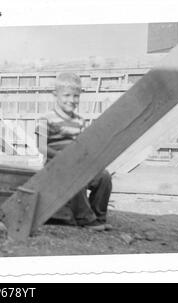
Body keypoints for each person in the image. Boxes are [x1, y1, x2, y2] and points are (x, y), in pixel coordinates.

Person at [35, 72, 113, 231]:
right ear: (55, 95)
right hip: (55, 166)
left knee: (104, 176)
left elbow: (83, 147)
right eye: (67, 95)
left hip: (77, 164)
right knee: (74, 176)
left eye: (76, 96)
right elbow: (41, 146)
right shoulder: (46, 119)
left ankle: (98, 217)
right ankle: (85, 218)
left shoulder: (80, 121)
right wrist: (62, 157)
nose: (71, 100)